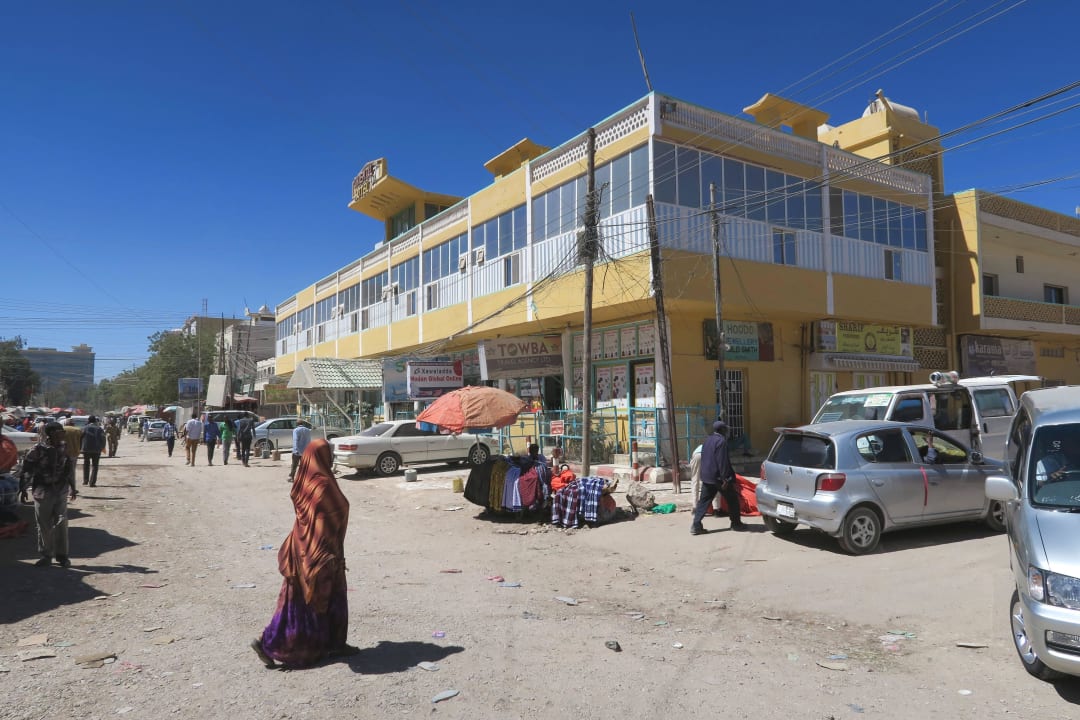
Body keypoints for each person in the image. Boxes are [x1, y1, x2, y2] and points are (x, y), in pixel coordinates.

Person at [250, 440, 358, 669]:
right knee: (318, 600)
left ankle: (331, 643)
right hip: (321, 552)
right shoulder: (323, 485)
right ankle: (273, 644)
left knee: (294, 599)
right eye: (328, 452)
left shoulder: (304, 480)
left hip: (300, 547)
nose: (331, 456)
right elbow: (332, 513)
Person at [18, 422, 76, 567]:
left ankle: (63, 556)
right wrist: (23, 489)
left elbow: (68, 468)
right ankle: (46, 555)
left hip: (60, 490)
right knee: (44, 525)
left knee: (62, 523)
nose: (62, 434)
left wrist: (73, 487)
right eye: (60, 432)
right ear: (51, 434)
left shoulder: (63, 447)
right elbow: (27, 470)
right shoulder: (37, 450)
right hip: (42, 492)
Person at [690, 420, 745, 535]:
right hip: (719, 478)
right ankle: (736, 524)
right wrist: (726, 478)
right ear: (723, 430)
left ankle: (696, 525)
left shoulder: (708, 440)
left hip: (707, 476)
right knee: (733, 500)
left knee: (703, 502)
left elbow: (706, 458)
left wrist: (705, 475)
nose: (727, 431)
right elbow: (722, 461)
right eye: (726, 429)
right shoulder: (721, 442)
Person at [689, 443, 722, 517]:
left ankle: (695, 508)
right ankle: (717, 509)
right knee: (715, 480)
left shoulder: (701, 446)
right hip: (709, 456)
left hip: (696, 456)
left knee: (695, 481)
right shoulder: (719, 445)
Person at [80, 416, 107, 487]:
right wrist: (102, 447)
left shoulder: (84, 428)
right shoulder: (99, 429)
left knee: (86, 464)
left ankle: (85, 480)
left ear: (88, 421)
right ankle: (92, 482)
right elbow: (103, 439)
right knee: (95, 466)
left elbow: (80, 438)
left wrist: (80, 448)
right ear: (95, 421)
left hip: (86, 449)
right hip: (96, 450)